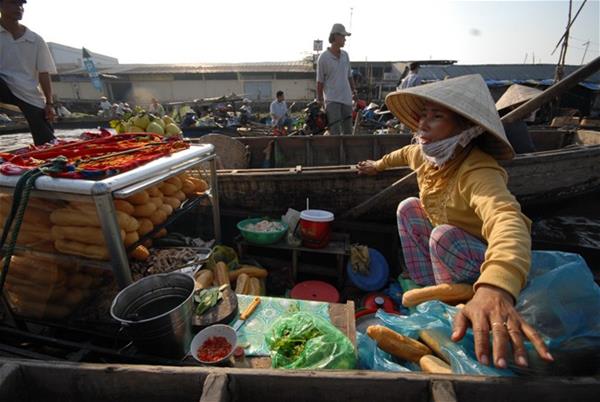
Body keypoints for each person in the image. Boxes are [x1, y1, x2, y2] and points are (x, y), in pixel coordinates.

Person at [357, 75, 553, 369]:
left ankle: (457, 307)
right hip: (446, 253)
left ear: (465, 128)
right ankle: (428, 297)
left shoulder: (478, 170)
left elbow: (507, 220)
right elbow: (403, 154)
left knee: (443, 237)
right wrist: (376, 166)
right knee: (409, 208)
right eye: (423, 116)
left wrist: (496, 287)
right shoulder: (427, 155)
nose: (423, 125)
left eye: (436, 117)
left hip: (478, 260)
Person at [0, 0, 56, 145]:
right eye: (13, 4)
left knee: (47, 141)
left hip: (28, 93)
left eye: (21, 5)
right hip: (3, 86)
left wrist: (49, 103)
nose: (19, 8)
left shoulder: (35, 40)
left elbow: (44, 73)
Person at [316, 23, 357, 135]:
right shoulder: (323, 58)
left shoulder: (345, 55)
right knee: (335, 132)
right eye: (343, 37)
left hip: (346, 99)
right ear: (336, 37)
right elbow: (320, 81)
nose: (345, 39)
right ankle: (336, 153)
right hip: (332, 100)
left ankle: (347, 153)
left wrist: (354, 91)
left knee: (348, 131)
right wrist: (319, 100)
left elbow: (349, 76)